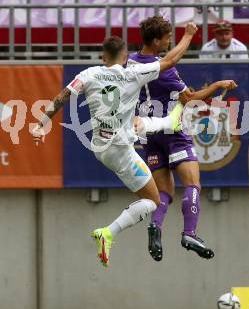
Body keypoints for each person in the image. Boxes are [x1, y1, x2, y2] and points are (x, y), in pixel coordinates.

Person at [31, 23, 198, 267]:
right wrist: (189, 36)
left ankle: (165, 122)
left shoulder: (88, 74)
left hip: (101, 145)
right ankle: (107, 232)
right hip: (120, 151)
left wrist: (41, 123)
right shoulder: (133, 73)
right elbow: (170, 61)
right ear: (124, 57)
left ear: (103, 56)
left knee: (141, 125)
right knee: (153, 201)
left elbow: (62, 97)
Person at [128, 15, 237, 262]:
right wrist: (218, 84)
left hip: (148, 133)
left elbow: (168, 57)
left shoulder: (131, 62)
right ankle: (189, 233)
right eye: (167, 37)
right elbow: (190, 98)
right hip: (173, 130)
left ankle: (155, 225)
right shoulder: (164, 72)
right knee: (192, 184)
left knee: (164, 192)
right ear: (156, 40)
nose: (169, 41)